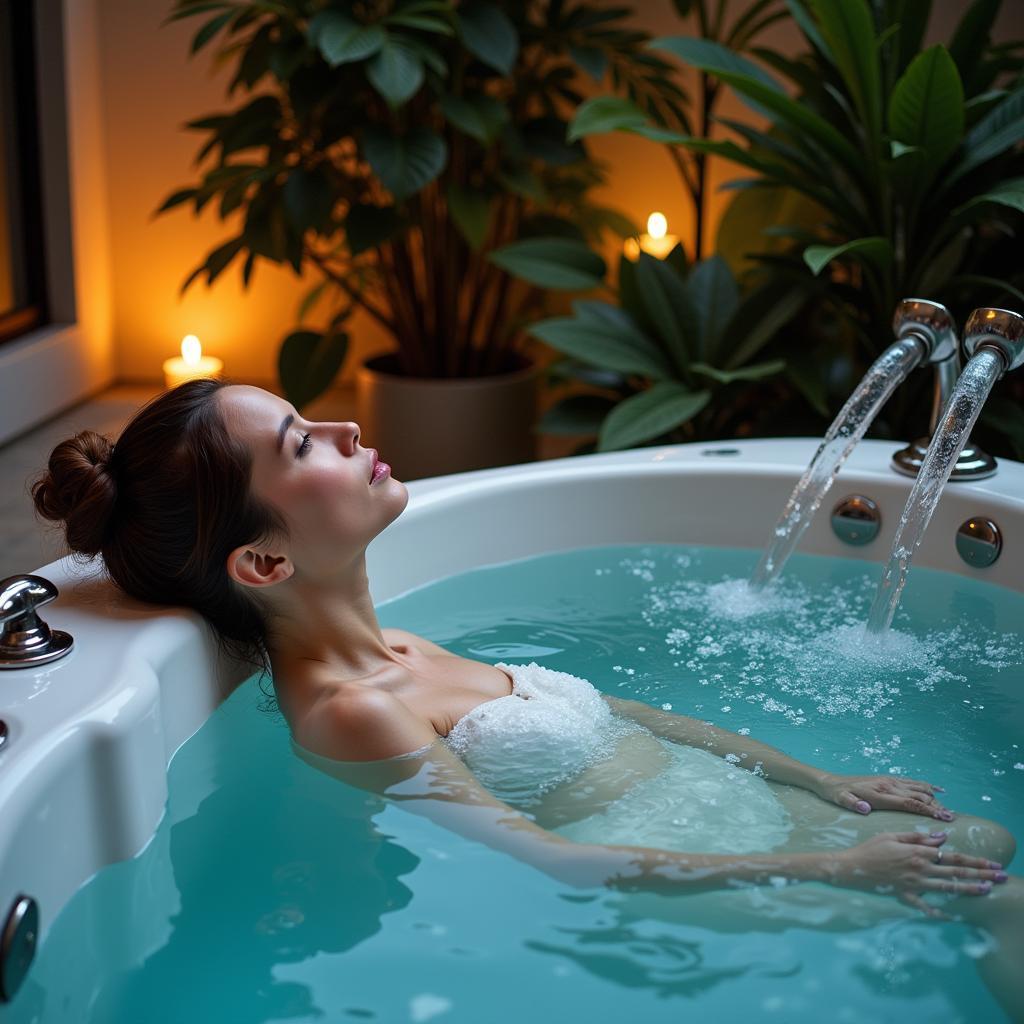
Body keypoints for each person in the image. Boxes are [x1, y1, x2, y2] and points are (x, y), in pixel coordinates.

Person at [31, 378, 1022, 1015]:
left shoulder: (406, 645)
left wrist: (820, 775)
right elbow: (555, 860)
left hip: (726, 803)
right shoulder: (351, 711)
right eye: (302, 445)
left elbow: (633, 717)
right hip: (714, 864)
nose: (345, 425)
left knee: (983, 845)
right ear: (264, 558)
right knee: (996, 902)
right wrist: (835, 867)